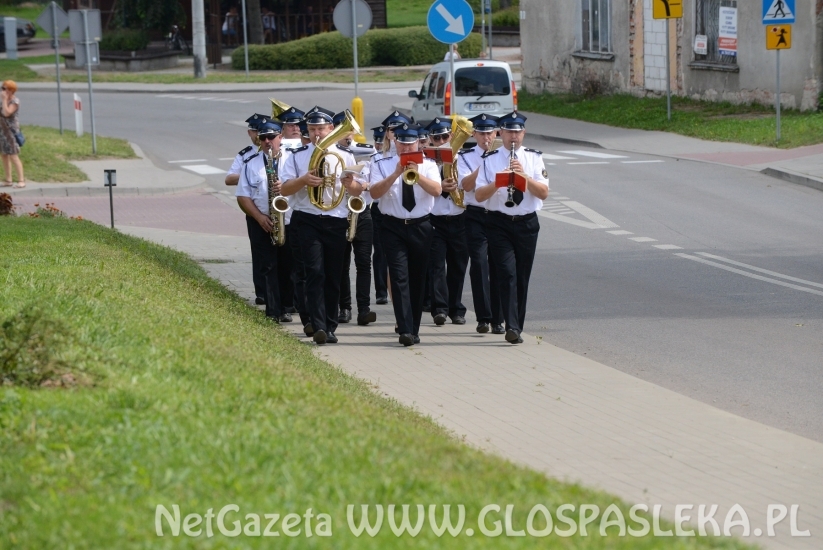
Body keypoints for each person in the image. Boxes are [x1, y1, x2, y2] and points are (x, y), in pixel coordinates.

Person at [280, 106, 361, 345]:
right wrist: (303, 180)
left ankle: (330, 324)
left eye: (321, 129)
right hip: (308, 218)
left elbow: (358, 190)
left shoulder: (345, 156)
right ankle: (318, 325)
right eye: (313, 129)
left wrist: (351, 184)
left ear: (331, 129)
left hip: (336, 219)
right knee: (315, 272)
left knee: (334, 275)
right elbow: (284, 189)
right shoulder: (298, 156)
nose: (317, 134)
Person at [474, 112, 549, 344]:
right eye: (509, 132)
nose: (513, 137)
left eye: (517, 132)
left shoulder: (534, 159)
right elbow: (478, 195)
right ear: (501, 133)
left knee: (522, 277)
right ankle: (512, 326)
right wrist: (499, 181)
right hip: (499, 222)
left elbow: (543, 193)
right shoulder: (490, 159)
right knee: (506, 273)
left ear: (523, 133)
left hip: (526, 223)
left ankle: (517, 324)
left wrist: (523, 177)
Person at [369, 123, 442, 346]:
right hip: (393, 226)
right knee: (399, 276)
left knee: (418, 278)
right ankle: (405, 329)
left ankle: (414, 327)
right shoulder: (381, 164)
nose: (406, 148)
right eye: (402, 143)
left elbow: (437, 191)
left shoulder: (428, 165)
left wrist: (417, 175)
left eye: (410, 144)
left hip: (421, 225)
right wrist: (395, 174)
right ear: (395, 142)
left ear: (418, 144)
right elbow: (374, 192)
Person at [235, 117, 289, 323]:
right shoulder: (250, 164)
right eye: (263, 138)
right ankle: (273, 310)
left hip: (289, 221)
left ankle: (287, 306)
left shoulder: (291, 161)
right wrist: (259, 217)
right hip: (262, 221)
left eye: (271, 137)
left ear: (280, 138)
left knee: (288, 265)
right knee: (267, 266)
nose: (267, 141)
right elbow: (242, 195)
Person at [458, 114, 505, 335]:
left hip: (497, 214)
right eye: (482, 133)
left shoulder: (504, 155)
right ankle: (483, 317)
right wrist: (485, 163)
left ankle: (498, 318)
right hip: (475, 214)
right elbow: (466, 186)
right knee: (478, 264)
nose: (486, 137)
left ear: (496, 133)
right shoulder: (465, 156)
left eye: (490, 133)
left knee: (498, 265)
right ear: (474, 134)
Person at [333, 111, 377, 326]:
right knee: (342, 264)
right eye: (344, 132)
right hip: (341, 213)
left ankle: (364, 309)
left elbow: (374, 181)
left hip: (363, 212)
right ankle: (345, 307)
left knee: (363, 263)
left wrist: (365, 185)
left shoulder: (367, 153)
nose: (348, 137)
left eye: (351, 132)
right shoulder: (332, 155)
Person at [425, 117, 469, 327]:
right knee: (436, 266)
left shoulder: (464, 158)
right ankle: (439, 309)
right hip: (435, 219)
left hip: (459, 217)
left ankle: (456, 308)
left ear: (451, 136)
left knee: (458, 266)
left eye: (445, 136)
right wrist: (440, 186)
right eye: (437, 137)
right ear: (430, 139)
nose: (441, 140)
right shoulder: (427, 161)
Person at [226, 113, 267, 305]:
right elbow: (229, 179)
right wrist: (250, 171)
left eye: (264, 132)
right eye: (257, 132)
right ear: (250, 132)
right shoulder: (245, 155)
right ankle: (262, 292)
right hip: (254, 209)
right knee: (259, 252)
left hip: (279, 210)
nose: (260, 136)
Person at [369, 125, 389, 305]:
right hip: (377, 208)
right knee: (380, 252)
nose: (378, 145)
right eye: (377, 141)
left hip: (393, 207)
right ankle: (381, 291)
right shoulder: (374, 159)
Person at [1, 80, 25, 188]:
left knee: (13, 156)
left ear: (11, 90)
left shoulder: (15, 101)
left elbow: (6, 113)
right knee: (4, 155)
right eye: (2, 88)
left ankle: (21, 180)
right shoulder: (2, 100)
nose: (3, 91)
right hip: (2, 131)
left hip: (11, 132)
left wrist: (4, 100)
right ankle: (8, 180)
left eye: (5, 89)